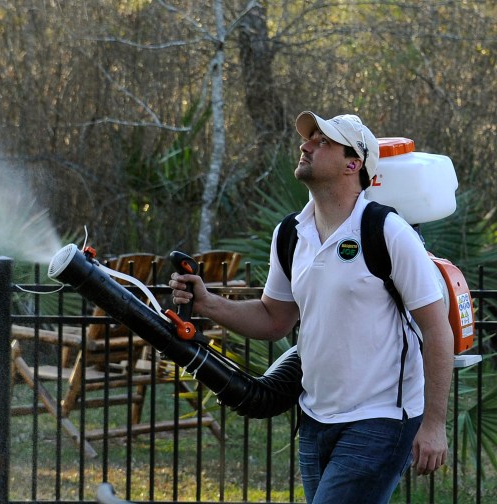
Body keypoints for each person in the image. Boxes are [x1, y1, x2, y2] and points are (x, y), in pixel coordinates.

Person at [169, 111, 453, 503]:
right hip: (315, 419)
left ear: (353, 164)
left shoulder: (387, 231)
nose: (305, 146)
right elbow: (274, 319)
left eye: (323, 142)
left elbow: (437, 330)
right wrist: (207, 303)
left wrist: (434, 424)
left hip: (382, 419)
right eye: (309, 139)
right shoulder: (290, 233)